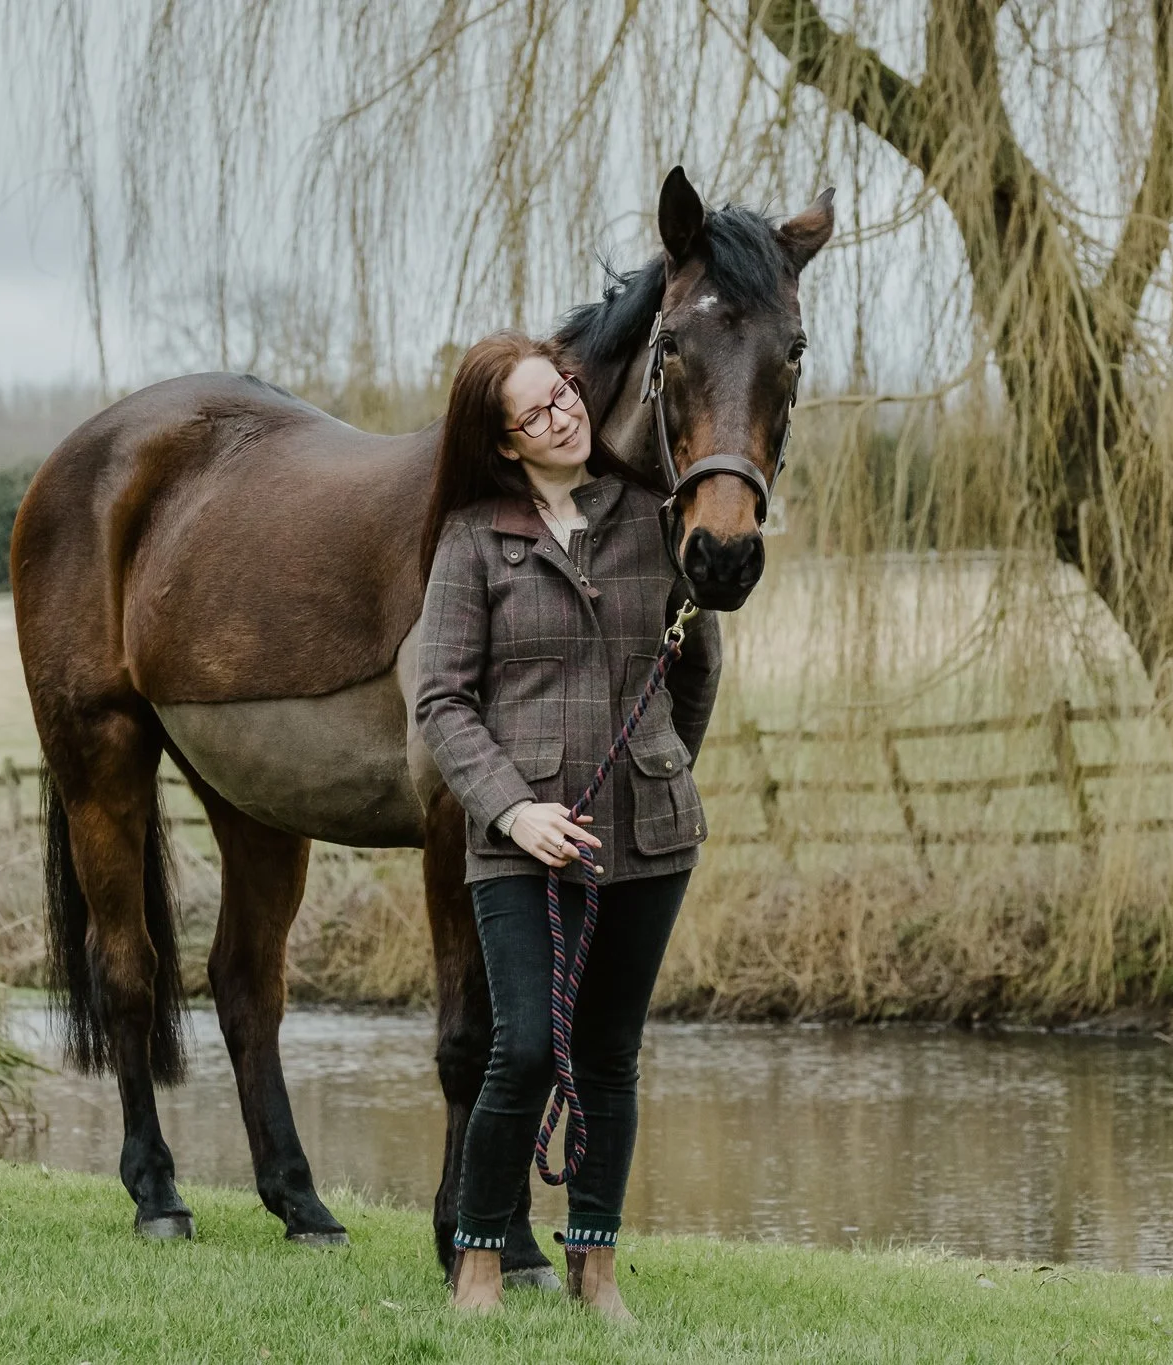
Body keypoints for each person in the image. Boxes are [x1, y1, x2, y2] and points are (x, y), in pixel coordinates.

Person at [414, 330, 722, 1320]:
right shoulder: (472, 538)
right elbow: (441, 701)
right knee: (524, 1051)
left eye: (567, 392)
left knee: (608, 1054)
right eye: (537, 410)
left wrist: (661, 766)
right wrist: (513, 807)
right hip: (520, 846)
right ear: (503, 440)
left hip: (650, 838)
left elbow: (696, 666)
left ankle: (597, 1270)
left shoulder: (654, 517)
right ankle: (478, 1262)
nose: (565, 415)